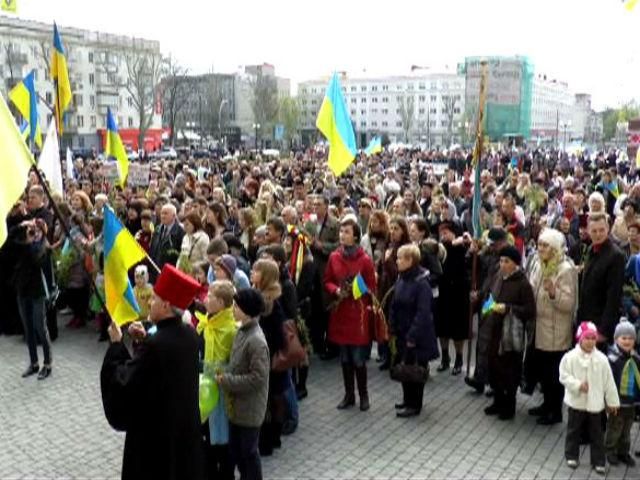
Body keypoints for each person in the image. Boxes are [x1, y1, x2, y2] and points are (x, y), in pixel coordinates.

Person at [100, 264, 204, 480]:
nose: (149, 301)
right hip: (181, 434)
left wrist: (117, 346)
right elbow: (165, 365)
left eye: (154, 299)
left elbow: (126, 385)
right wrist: (146, 338)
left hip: (154, 441)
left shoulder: (156, 345)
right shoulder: (190, 335)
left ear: (166, 305)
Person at [525, 228, 578, 425]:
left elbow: (569, 304)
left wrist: (554, 293)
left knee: (554, 373)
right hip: (539, 327)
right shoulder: (539, 264)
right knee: (543, 371)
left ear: (555, 248)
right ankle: (545, 405)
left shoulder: (565, 269)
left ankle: (555, 411)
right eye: (539, 244)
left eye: (545, 245)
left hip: (556, 330)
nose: (540, 248)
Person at [216, 288, 269, 480]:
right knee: (238, 453)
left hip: (250, 409)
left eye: (236, 306)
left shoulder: (256, 341)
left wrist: (227, 380)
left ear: (246, 310)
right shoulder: (242, 331)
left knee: (248, 454)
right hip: (238, 407)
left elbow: (257, 378)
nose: (233, 309)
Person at [324, 217, 376, 411]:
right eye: (341, 231)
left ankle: (364, 395)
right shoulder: (334, 257)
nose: (342, 235)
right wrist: (336, 291)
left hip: (357, 314)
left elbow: (372, 285)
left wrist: (355, 290)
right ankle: (349, 395)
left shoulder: (365, 260)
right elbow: (328, 280)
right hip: (341, 313)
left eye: (346, 232)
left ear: (355, 236)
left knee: (358, 358)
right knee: (344, 358)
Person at [560, 322, 620, 475]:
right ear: (580, 338)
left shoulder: (602, 360)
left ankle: (599, 460)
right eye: (587, 338)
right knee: (573, 430)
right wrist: (577, 385)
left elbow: (609, 382)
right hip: (576, 401)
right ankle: (571, 455)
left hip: (595, 404)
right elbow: (564, 376)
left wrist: (612, 401)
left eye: (593, 338)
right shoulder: (570, 357)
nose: (590, 341)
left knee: (597, 433)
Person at [483, 246, 536, 420]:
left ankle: (509, 405)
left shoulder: (522, 283)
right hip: (495, 328)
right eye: (501, 261)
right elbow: (491, 295)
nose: (503, 264)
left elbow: (530, 310)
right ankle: (498, 401)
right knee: (494, 366)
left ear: (515, 264)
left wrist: (509, 308)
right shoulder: (499, 277)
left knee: (509, 369)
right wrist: (485, 304)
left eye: (507, 261)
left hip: (511, 332)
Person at [389, 244, 439, 417]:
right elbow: (394, 304)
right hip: (403, 332)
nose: (397, 260)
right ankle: (406, 400)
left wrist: (412, 336)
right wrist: (392, 324)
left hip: (418, 336)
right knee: (405, 368)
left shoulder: (422, 284)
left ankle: (415, 405)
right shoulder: (401, 278)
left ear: (410, 260)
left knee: (416, 370)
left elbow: (423, 313)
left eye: (400, 258)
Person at [197, 281, 238, 480]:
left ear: (220, 303)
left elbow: (235, 363)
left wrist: (217, 372)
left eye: (210, 296)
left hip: (222, 389)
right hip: (207, 387)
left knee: (223, 436)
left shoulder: (231, 329)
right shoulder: (208, 321)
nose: (206, 298)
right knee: (208, 435)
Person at [250, 259, 287, 456]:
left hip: (269, 357)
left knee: (269, 399)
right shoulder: (261, 295)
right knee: (272, 398)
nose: (252, 272)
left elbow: (277, 335)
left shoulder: (269, 301)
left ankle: (269, 440)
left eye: (256, 270)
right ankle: (273, 438)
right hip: (268, 357)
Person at [10, 218, 53, 380]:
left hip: (37, 292)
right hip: (22, 291)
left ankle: (47, 363)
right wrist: (22, 226)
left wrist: (30, 242)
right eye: (32, 229)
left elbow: (36, 261)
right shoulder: (24, 243)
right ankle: (34, 363)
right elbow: (11, 239)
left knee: (40, 328)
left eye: (37, 230)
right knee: (28, 329)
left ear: (43, 232)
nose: (33, 232)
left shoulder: (43, 247)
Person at [577, 213, 626, 345]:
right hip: (586, 320)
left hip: (600, 326)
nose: (598, 234)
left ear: (608, 229)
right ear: (588, 231)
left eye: (601, 230)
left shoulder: (616, 256)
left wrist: (603, 331)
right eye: (594, 231)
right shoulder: (591, 249)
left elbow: (613, 297)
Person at [436, 221, 470, 375]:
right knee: (442, 328)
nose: (443, 236)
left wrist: (463, 242)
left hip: (459, 292)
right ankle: (444, 357)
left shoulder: (461, 248)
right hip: (442, 292)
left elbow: (470, 254)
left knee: (458, 329)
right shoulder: (440, 249)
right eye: (441, 233)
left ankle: (459, 358)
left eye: (446, 232)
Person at [605, 320, 640, 467]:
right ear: (616, 339)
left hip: (631, 401)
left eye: (630, 338)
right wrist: (609, 401)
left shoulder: (636, 359)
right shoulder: (612, 359)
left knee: (627, 429)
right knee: (615, 428)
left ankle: (623, 452)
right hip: (617, 401)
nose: (627, 341)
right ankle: (610, 450)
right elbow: (608, 382)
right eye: (623, 338)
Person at [149, 203, 185, 281]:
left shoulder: (180, 232)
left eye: (166, 213)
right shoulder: (157, 229)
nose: (163, 216)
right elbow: (152, 249)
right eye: (162, 213)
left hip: (169, 272)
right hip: (155, 270)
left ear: (174, 216)